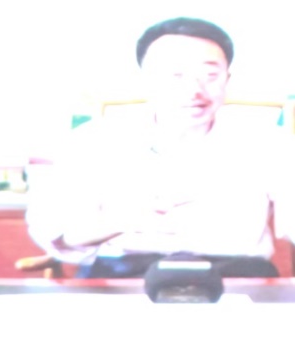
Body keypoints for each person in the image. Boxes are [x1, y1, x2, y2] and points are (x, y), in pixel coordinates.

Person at [26, 17, 295, 278]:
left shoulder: (271, 142)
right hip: (124, 277)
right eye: (176, 75)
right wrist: (121, 221)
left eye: (210, 75)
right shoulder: (92, 140)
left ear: (228, 78)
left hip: (237, 278)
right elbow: (56, 231)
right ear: (145, 80)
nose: (194, 90)